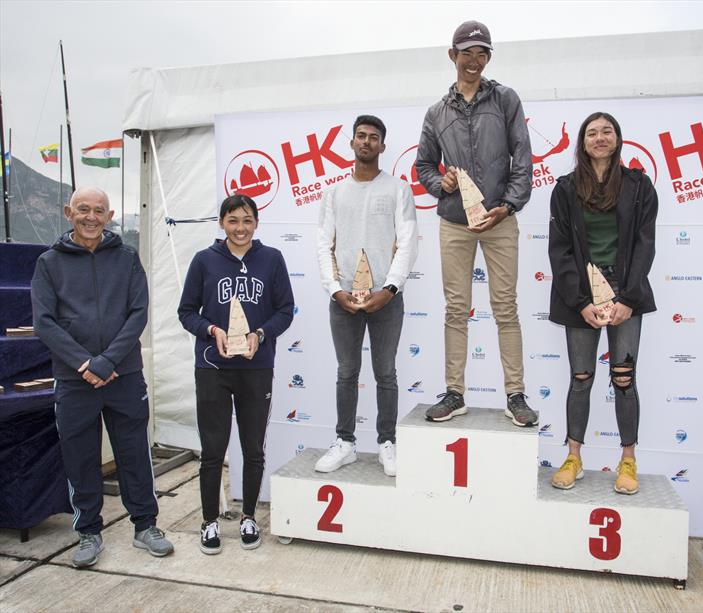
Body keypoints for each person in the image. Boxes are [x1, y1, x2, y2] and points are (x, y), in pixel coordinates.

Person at [31, 186, 174, 568]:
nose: (91, 216)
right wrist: (85, 363)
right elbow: (44, 322)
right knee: (80, 458)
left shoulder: (127, 258)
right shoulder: (49, 262)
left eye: (98, 210)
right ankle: (89, 533)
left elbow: (138, 313)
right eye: (83, 209)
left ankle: (145, 526)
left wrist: (108, 361)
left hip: (123, 375)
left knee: (134, 455)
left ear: (110, 217)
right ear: (68, 212)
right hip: (75, 379)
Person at [415, 20, 536, 427]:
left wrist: (508, 205)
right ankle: (455, 393)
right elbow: (424, 165)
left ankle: (516, 395)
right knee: (455, 309)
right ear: (452, 56)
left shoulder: (505, 99)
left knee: (505, 307)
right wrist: (440, 181)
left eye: (481, 53)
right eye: (466, 52)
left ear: (488, 58)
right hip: (454, 221)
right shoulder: (436, 112)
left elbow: (523, 157)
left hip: (500, 218)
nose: (474, 60)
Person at [547, 112, 658, 495]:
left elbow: (645, 243)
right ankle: (573, 456)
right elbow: (559, 252)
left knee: (624, 379)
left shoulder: (639, 186)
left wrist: (629, 297)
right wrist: (580, 303)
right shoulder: (564, 189)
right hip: (580, 294)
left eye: (606, 131)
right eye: (591, 133)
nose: (599, 138)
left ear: (617, 138)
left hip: (626, 291)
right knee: (581, 378)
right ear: (582, 142)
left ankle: (628, 459)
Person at [178, 194, 294, 554]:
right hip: (213, 368)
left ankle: (248, 517)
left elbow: (286, 309)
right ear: (221, 223)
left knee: (252, 448)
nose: (240, 228)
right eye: (233, 220)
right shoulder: (204, 261)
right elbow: (186, 312)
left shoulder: (271, 259)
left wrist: (261, 334)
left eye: (246, 220)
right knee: (213, 449)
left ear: (256, 223)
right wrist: (211, 330)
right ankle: (209, 521)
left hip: (256, 369)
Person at [315, 115, 418, 477]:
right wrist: (335, 290)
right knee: (346, 372)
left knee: (385, 373)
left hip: (386, 299)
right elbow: (323, 243)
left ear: (382, 146)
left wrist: (389, 289)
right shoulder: (334, 192)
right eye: (361, 136)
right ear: (352, 142)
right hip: (343, 298)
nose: (366, 142)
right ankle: (345, 442)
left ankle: (386, 443)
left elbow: (407, 243)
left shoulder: (398, 189)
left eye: (374, 137)